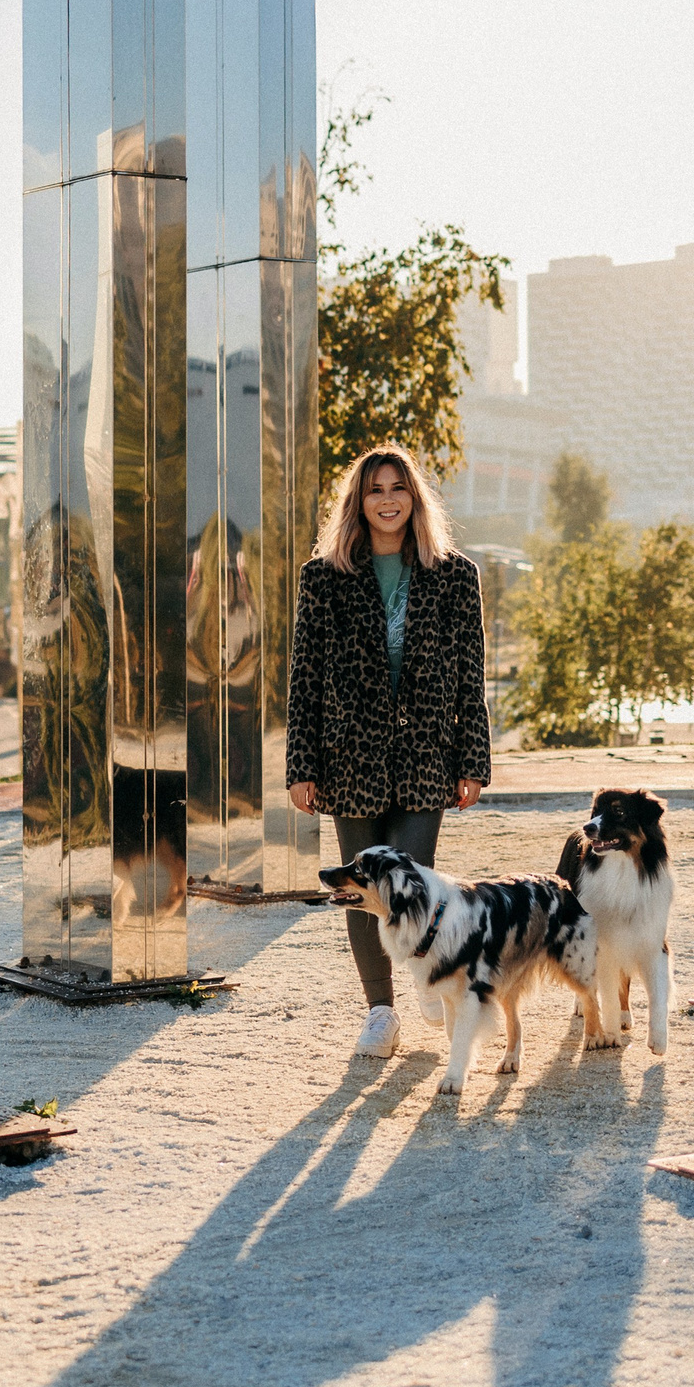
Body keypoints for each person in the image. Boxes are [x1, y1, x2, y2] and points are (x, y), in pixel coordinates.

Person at [286, 442, 492, 1058]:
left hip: (428, 755)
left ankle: (426, 980)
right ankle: (381, 1012)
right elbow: (305, 676)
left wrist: (472, 761)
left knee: (412, 881)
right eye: (374, 490)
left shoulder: (455, 576)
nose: (387, 501)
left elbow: (470, 675)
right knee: (359, 888)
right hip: (348, 758)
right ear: (359, 501)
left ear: (414, 498)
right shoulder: (323, 579)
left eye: (397, 489)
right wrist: (301, 766)